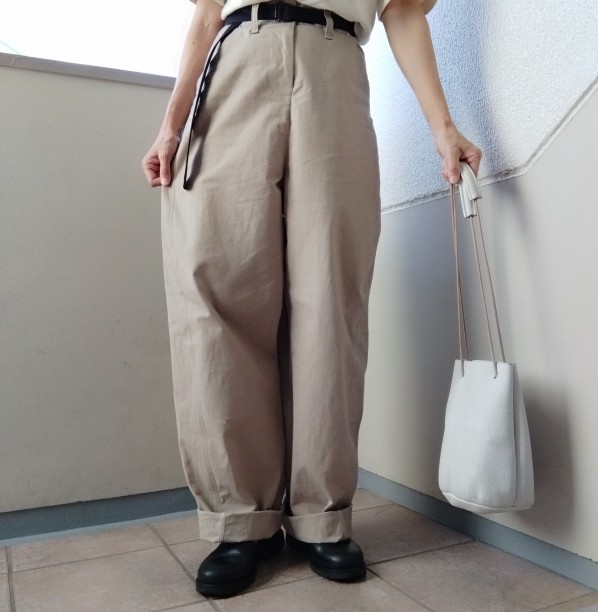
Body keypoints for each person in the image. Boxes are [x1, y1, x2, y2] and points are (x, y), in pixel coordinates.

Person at [142, 0, 481, 599]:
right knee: (219, 293)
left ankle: (320, 516)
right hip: (238, 58)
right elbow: (207, 12)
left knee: (332, 299)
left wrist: (442, 126)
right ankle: (240, 520)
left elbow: (403, 11)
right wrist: (171, 124)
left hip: (335, 64)